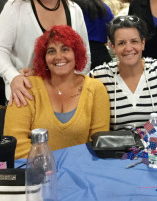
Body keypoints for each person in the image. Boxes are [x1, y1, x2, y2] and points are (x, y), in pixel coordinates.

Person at [0, 0, 91, 107]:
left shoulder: (74, 10)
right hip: (26, 95)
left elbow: (85, 56)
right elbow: (1, 50)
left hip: (67, 99)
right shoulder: (16, 7)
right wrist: (13, 77)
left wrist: (73, 86)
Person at [4, 25, 110, 159]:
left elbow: (99, 145)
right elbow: (15, 144)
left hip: (81, 172)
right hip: (36, 173)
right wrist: (49, 166)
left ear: (76, 54)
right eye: (51, 51)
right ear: (44, 58)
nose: (58, 57)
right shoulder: (27, 87)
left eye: (65, 49)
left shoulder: (95, 89)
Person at [67, 0, 113, 68]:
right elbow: (113, 29)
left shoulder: (69, 7)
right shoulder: (102, 7)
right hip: (101, 54)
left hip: (76, 55)